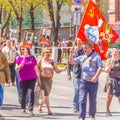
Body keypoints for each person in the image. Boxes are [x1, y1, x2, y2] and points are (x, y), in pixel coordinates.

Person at [69, 41, 103, 120]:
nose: (84, 49)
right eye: (83, 48)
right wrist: (71, 53)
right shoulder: (82, 57)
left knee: (92, 100)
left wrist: (95, 76)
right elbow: (72, 62)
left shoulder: (96, 57)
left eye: (86, 48)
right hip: (83, 82)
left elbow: (100, 67)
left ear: (91, 48)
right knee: (82, 100)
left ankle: (92, 116)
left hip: (93, 82)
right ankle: (81, 116)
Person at [37, 47, 67, 115]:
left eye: (49, 52)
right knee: (46, 94)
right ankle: (49, 110)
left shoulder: (52, 61)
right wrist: (37, 77)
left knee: (45, 95)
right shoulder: (41, 61)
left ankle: (40, 105)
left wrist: (63, 69)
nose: (48, 53)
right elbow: (35, 69)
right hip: (43, 79)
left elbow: (56, 70)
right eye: (46, 52)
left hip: (49, 80)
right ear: (43, 53)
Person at [15, 47, 40, 116]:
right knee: (23, 93)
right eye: (22, 49)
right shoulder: (19, 59)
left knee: (31, 92)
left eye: (25, 49)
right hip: (23, 78)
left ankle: (30, 109)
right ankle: (23, 107)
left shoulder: (32, 58)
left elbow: (36, 68)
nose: (24, 51)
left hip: (32, 78)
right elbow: (16, 69)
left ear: (28, 50)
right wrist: (20, 65)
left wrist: (38, 77)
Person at [67, 38, 84, 113]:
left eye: (81, 41)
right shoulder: (73, 51)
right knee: (77, 89)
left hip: (84, 72)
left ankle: (81, 106)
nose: (80, 42)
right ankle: (75, 106)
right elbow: (69, 62)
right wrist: (68, 73)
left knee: (83, 90)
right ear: (76, 42)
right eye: (78, 41)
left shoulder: (85, 50)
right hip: (76, 72)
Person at [104, 48, 120, 116]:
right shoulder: (109, 60)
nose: (116, 53)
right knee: (110, 96)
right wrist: (111, 64)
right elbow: (106, 70)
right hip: (111, 80)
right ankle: (107, 110)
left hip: (119, 80)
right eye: (115, 52)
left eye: (117, 52)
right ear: (112, 53)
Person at [0, 38, 11, 108]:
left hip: (1, 77)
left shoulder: (2, 54)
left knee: (0, 95)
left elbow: (6, 66)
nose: (1, 45)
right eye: (1, 44)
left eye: (1, 44)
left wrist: (8, 78)